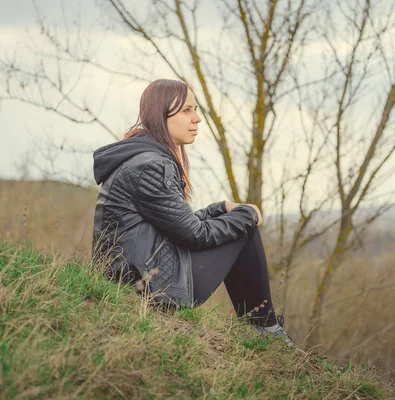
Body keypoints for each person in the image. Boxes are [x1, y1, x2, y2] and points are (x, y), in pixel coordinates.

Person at [91, 79, 296, 348]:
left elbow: (176, 222)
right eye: (186, 110)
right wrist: (247, 215)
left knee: (234, 221)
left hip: (132, 279)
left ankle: (263, 327)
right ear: (160, 114)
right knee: (244, 230)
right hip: (147, 290)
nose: (197, 118)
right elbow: (194, 235)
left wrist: (220, 209)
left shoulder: (142, 157)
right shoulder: (152, 166)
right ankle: (265, 328)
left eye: (195, 109)